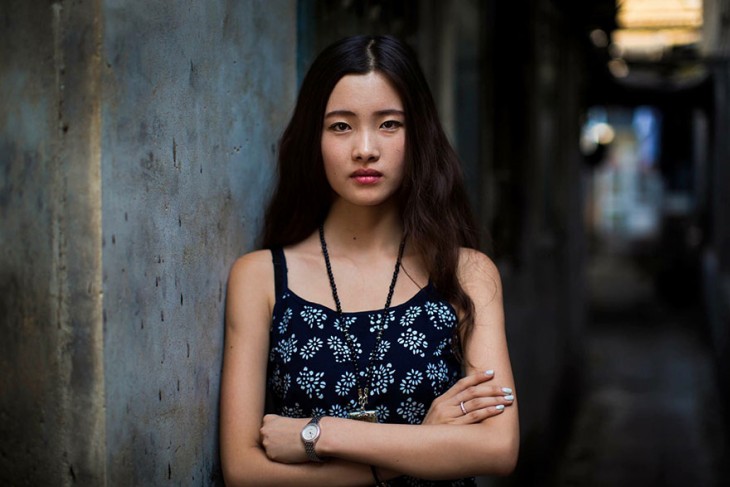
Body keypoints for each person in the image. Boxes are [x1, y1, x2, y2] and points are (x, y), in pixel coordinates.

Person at [220, 35, 519, 486]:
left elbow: (497, 449)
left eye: (389, 125)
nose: (365, 148)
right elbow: (243, 471)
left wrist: (321, 435)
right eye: (341, 126)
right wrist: (419, 444)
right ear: (313, 138)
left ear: (418, 135)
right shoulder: (260, 277)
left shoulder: (466, 274)